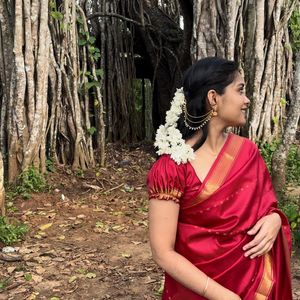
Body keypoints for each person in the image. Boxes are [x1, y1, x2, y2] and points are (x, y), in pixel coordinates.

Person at [147, 57, 292, 300]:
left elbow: (268, 208)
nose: (247, 100)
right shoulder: (171, 168)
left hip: (256, 282)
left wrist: (275, 221)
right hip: (199, 291)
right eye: (240, 90)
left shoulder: (248, 153)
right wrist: (223, 296)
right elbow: (162, 252)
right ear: (214, 98)